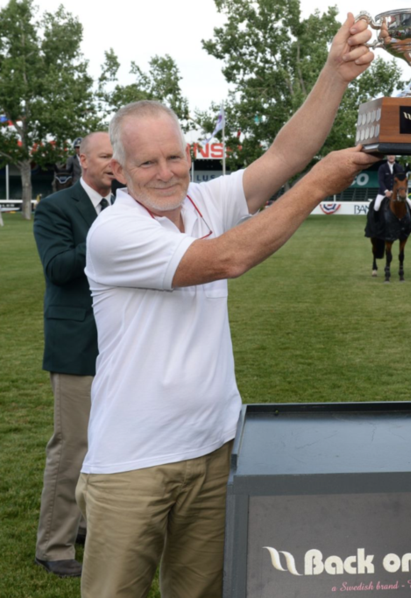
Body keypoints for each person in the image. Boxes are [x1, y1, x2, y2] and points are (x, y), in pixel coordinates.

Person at [75, 14, 378, 598]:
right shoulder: (113, 233)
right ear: (118, 170)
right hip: (133, 461)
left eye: (175, 156)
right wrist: (318, 186)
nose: (166, 173)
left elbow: (285, 154)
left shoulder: (201, 198)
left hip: (216, 445)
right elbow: (226, 259)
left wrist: (334, 73)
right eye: (147, 163)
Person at [32, 131, 114, 578]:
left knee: (105, 445)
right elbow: (58, 268)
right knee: (73, 448)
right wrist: (107, 239)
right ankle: (54, 545)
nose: (113, 164)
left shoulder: (125, 209)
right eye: (105, 156)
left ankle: (83, 525)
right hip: (75, 346)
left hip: (120, 346)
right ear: (82, 159)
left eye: (117, 157)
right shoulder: (55, 207)